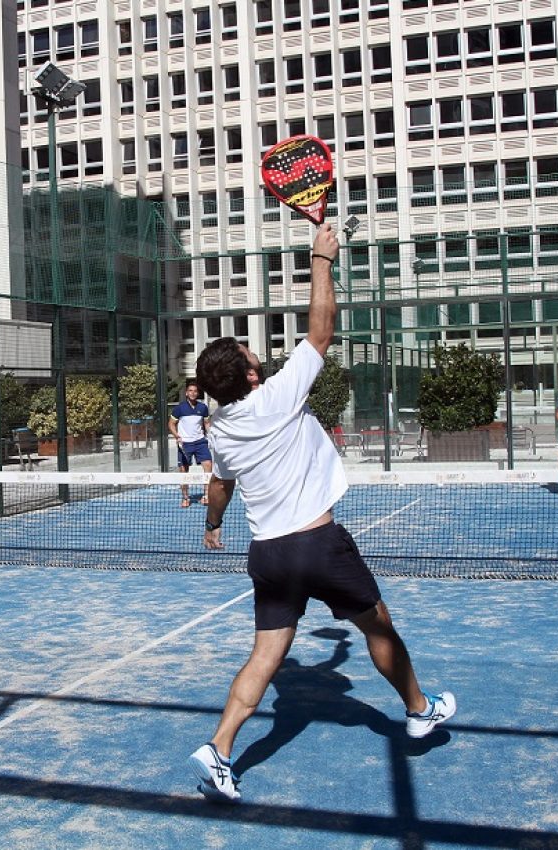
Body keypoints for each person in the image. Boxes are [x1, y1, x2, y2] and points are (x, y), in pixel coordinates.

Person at [188, 223, 455, 804]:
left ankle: (220, 747)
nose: (252, 350)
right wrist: (321, 257)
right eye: (247, 351)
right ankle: (417, 709)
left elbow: (219, 487)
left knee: (265, 657)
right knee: (379, 625)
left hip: (270, 555)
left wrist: (212, 526)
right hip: (318, 545)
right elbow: (321, 330)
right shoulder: (278, 396)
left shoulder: (221, 431)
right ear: (248, 374)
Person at [169, 379, 213, 508]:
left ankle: (206, 496)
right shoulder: (179, 409)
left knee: (208, 467)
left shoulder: (203, 408)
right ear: (186, 393)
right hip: (185, 444)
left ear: (197, 393)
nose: (193, 393)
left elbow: (206, 423)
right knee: (184, 472)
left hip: (200, 443)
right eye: (190, 391)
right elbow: (171, 424)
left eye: (195, 391)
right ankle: (185, 498)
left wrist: (211, 435)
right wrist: (177, 435)